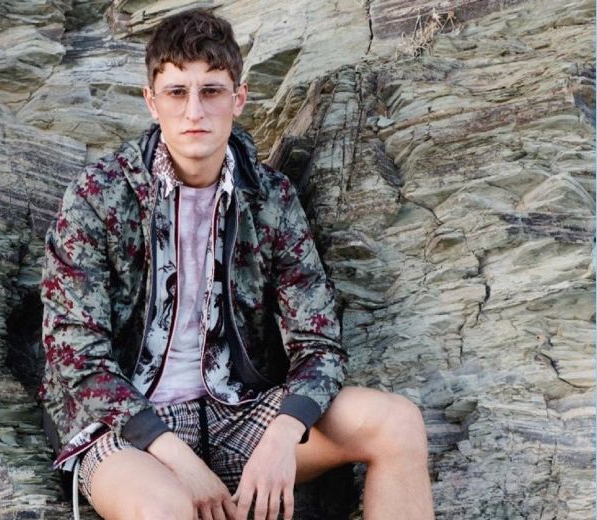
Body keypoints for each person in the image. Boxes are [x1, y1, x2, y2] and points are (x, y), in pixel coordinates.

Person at [39, 8, 434, 520]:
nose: (194, 112)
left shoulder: (270, 197)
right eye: (177, 92)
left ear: (239, 98)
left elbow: (318, 343)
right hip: (125, 428)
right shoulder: (98, 195)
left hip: (239, 412)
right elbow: (76, 357)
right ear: (152, 102)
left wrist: (282, 435)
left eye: (212, 91)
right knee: (165, 510)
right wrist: (178, 459)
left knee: (396, 423)